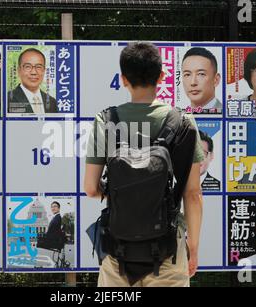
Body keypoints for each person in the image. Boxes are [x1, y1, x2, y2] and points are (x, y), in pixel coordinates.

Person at [84, 42, 204, 287]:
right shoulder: (183, 123)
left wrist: (123, 194)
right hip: (168, 247)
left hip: (118, 248)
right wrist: (192, 247)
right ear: (161, 76)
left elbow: (90, 188)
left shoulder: (105, 120)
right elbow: (193, 194)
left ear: (123, 79)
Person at [7, 48, 58, 114]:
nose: (34, 72)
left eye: (38, 67)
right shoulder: (7, 100)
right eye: (28, 67)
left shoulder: (52, 102)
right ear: (19, 70)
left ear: (44, 70)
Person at [182, 47, 221, 112]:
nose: (193, 82)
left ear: (216, 80)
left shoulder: (226, 113)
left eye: (201, 74)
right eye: (187, 74)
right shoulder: (178, 115)